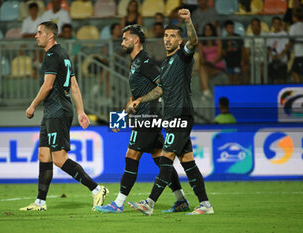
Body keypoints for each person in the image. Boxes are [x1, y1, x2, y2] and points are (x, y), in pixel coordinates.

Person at [94, 24, 189, 214]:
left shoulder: (145, 62)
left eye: (125, 39)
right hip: (146, 115)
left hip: (148, 116)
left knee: (132, 155)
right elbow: (136, 94)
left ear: (136, 40)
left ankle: (118, 203)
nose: (122, 42)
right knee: (160, 159)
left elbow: (163, 85)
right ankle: (180, 200)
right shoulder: (136, 62)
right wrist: (121, 117)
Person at [128, 9, 213, 216]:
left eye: (172, 36)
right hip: (172, 117)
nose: (168, 39)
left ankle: (149, 202)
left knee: (166, 159)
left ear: (179, 39)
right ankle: (205, 205)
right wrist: (140, 99)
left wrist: (189, 21)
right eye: (166, 36)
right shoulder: (165, 64)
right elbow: (160, 90)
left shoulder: (183, 56)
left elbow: (194, 41)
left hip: (180, 116)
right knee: (188, 163)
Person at [20, 21, 108, 211]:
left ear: (50, 35)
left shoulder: (52, 56)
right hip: (55, 110)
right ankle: (40, 203)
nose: (36, 36)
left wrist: (32, 106)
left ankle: (97, 189)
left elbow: (48, 85)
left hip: (57, 111)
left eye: (39, 32)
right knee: (44, 155)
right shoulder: (63, 54)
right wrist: (81, 111)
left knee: (59, 158)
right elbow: (74, 85)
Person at [198, 23, 225, 99]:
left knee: (202, 72)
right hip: (207, 65)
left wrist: (211, 63)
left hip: (217, 64)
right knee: (202, 68)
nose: (207, 31)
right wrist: (205, 62)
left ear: (212, 31)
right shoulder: (201, 43)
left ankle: (204, 93)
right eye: (206, 29)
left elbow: (219, 55)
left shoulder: (218, 41)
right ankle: (206, 92)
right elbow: (201, 58)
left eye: (209, 29)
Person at [267, 17, 289, 84]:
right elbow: (268, 47)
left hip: (282, 61)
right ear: (272, 24)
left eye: (278, 23)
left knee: (282, 80)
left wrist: (281, 54)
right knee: (274, 81)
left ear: (280, 24)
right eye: (275, 23)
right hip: (273, 61)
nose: (276, 24)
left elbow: (287, 46)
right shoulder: (269, 35)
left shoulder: (284, 34)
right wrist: (272, 56)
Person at [222, 20, 244, 85]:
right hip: (229, 62)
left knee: (237, 78)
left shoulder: (238, 37)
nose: (231, 29)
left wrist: (242, 60)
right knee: (230, 78)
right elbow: (222, 51)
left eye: (232, 27)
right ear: (226, 29)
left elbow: (242, 49)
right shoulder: (224, 39)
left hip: (237, 61)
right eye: (229, 28)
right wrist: (227, 50)